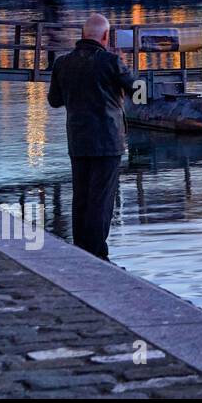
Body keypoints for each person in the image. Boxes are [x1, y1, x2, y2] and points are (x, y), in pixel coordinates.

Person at [47, 13, 134, 260]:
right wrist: (126, 68)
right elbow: (139, 93)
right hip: (108, 140)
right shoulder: (112, 62)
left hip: (78, 139)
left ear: (83, 34)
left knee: (81, 198)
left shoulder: (63, 64)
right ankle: (96, 256)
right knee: (101, 200)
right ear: (106, 36)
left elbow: (54, 101)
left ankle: (81, 251)